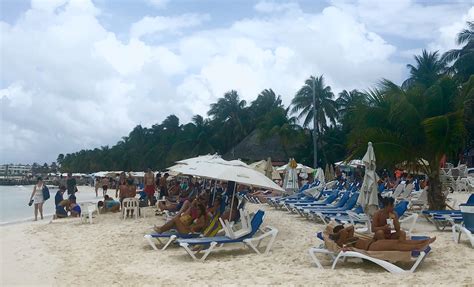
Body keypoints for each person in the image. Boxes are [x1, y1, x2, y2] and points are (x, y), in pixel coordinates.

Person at [331, 225, 435, 251]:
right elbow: (345, 231)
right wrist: (338, 234)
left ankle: (422, 242)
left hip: (373, 243)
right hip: (371, 247)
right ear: (339, 234)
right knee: (396, 245)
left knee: (398, 242)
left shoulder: (349, 238)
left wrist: (340, 231)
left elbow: (351, 227)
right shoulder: (341, 242)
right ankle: (418, 247)